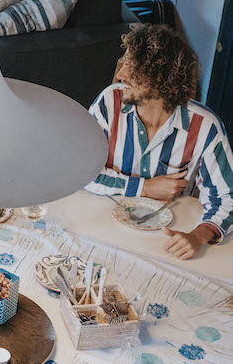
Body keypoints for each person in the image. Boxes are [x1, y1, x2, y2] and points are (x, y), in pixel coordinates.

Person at [87, 24, 233, 259]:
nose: (121, 74)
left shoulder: (205, 127)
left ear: (161, 79)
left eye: (132, 68)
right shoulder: (109, 102)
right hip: (101, 225)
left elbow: (227, 198)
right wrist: (145, 187)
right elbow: (79, 171)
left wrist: (197, 236)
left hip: (162, 244)